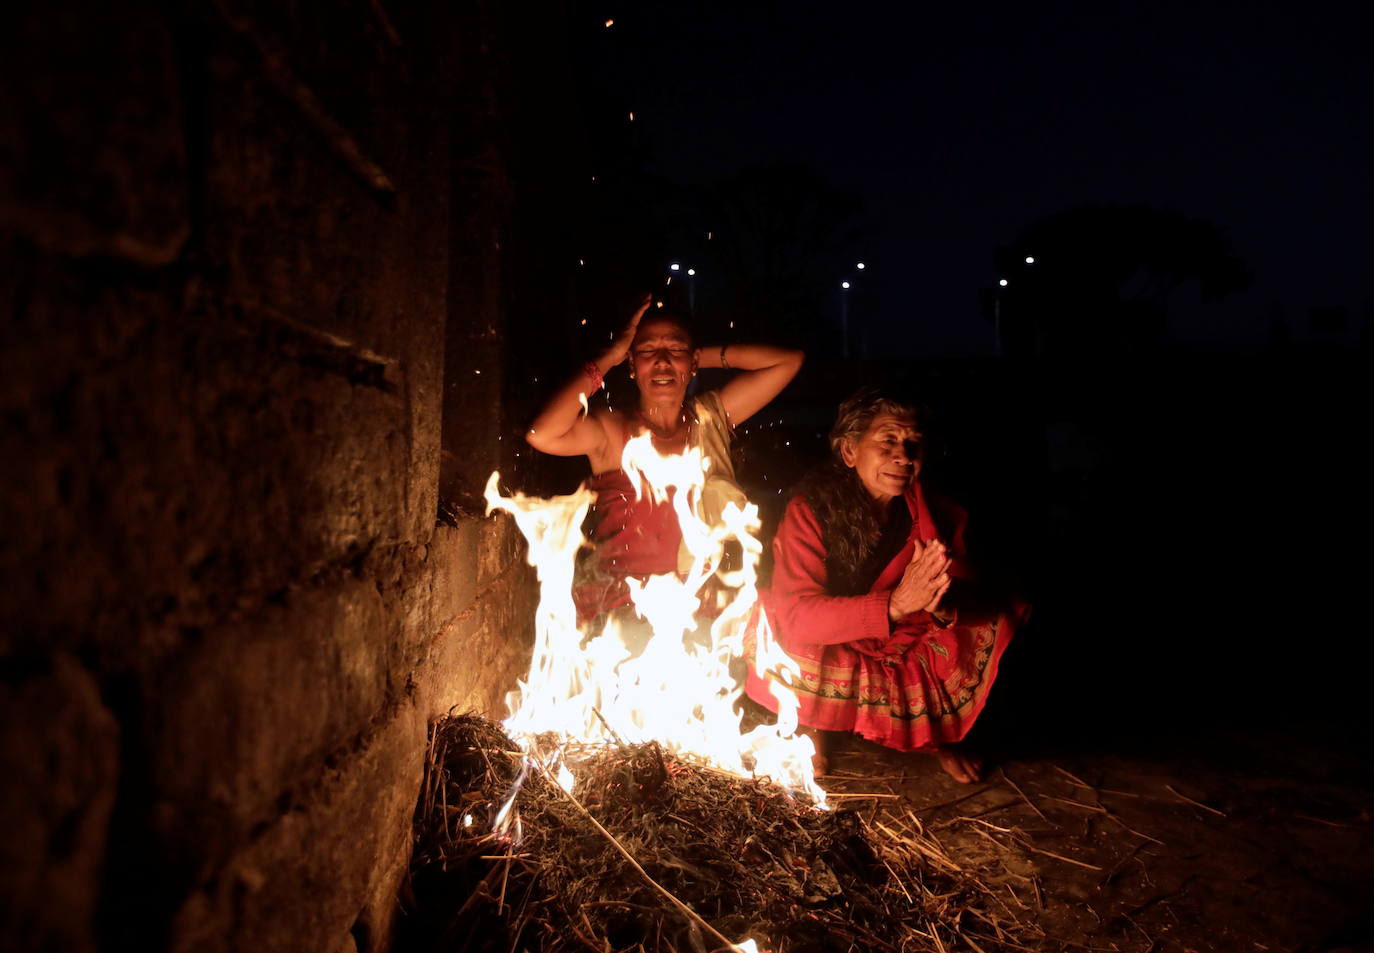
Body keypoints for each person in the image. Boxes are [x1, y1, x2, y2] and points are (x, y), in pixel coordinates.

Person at [745, 389, 1020, 783]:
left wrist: (940, 603)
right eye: (888, 440)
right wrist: (892, 605)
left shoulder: (934, 512)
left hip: (897, 637)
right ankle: (811, 726)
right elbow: (797, 614)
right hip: (833, 634)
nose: (904, 456)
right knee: (777, 626)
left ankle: (935, 734)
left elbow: (965, 589)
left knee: (990, 618)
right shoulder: (811, 510)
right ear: (850, 451)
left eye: (913, 445)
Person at [526, 295, 804, 621]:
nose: (661, 361)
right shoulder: (613, 431)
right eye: (647, 352)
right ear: (631, 365)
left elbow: (787, 362)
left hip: (698, 613)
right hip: (619, 614)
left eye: (674, 349)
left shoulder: (708, 419)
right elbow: (541, 434)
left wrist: (693, 357)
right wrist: (612, 357)